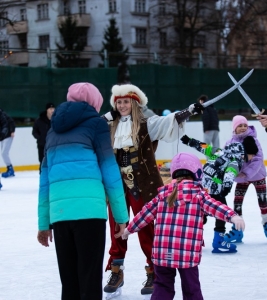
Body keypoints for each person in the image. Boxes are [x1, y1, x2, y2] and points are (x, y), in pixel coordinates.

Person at [102, 83, 203, 297]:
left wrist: (189, 111)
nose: (122, 105)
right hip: (117, 186)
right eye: (118, 102)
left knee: (147, 228)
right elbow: (90, 126)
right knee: (117, 227)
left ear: (135, 103)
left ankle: (153, 270)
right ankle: (116, 269)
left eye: (126, 101)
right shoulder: (109, 124)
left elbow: (169, 121)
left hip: (143, 184)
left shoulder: (148, 124)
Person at [37, 82, 129, 300]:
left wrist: (43, 224)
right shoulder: (97, 125)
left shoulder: (52, 131)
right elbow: (109, 169)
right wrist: (121, 216)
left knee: (69, 283)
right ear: (95, 103)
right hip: (90, 214)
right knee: (89, 280)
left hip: (61, 215)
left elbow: (45, 182)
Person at [121, 152, 245, 300]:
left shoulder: (163, 195)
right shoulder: (198, 195)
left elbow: (144, 214)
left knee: (162, 286)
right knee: (191, 289)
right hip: (187, 254)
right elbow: (216, 207)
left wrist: (129, 229)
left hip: (162, 253)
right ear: (197, 173)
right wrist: (232, 216)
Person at [181, 134, 253, 253]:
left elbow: (203, 146)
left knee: (200, 212)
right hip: (215, 191)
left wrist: (190, 141)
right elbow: (230, 173)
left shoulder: (218, 151)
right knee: (221, 213)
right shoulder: (236, 160)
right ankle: (218, 241)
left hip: (202, 187)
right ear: (242, 154)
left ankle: (191, 239)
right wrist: (227, 187)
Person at [223, 115, 267, 244]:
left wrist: (246, 174)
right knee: (237, 203)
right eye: (240, 126)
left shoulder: (253, 140)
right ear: (234, 128)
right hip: (242, 177)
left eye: (245, 125)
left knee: (263, 203)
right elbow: (227, 160)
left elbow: (258, 159)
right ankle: (237, 230)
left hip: (257, 175)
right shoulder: (230, 142)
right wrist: (236, 175)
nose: (243, 128)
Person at [32, 102, 55, 173]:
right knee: (42, 161)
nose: (52, 110)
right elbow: (34, 131)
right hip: (42, 145)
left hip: (53, 145)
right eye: (50, 109)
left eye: (53, 108)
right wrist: (40, 138)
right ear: (47, 110)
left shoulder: (56, 119)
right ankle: (42, 176)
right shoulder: (39, 120)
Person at [0, 109, 15, 178]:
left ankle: (10, 169)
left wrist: (12, 131)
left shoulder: (3, 114)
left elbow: (11, 122)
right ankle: (9, 168)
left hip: (8, 135)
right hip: (2, 137)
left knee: (4, 153)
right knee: (3, 153)